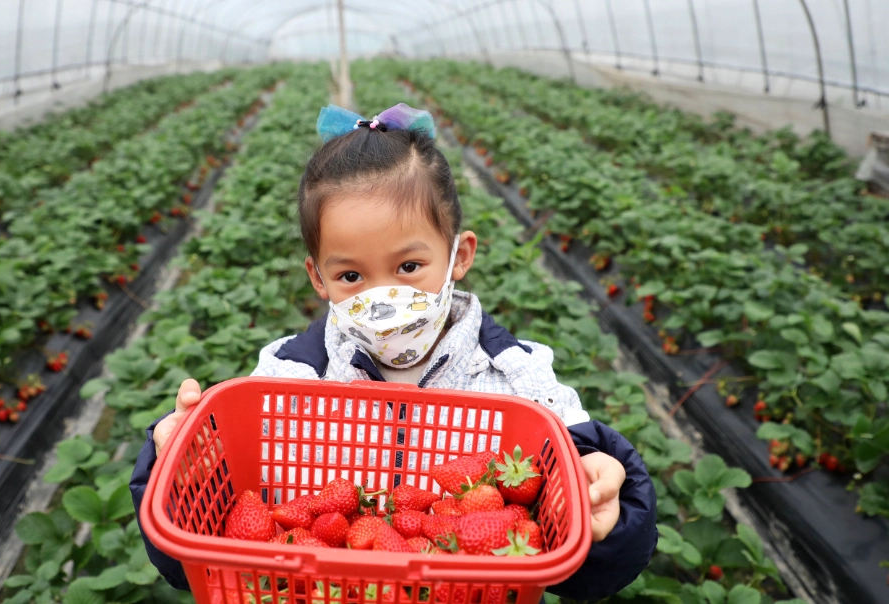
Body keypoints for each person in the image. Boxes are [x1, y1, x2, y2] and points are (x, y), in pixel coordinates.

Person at [130, 103, 657, 602]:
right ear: (318, 277)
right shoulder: (286, 378)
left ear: (459, 256)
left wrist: (605, 521)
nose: (382, 297)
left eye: (408, 267)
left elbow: (584, 574)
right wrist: (179, 476)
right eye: (351, 276)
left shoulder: (521, 382)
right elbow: (195, 562)